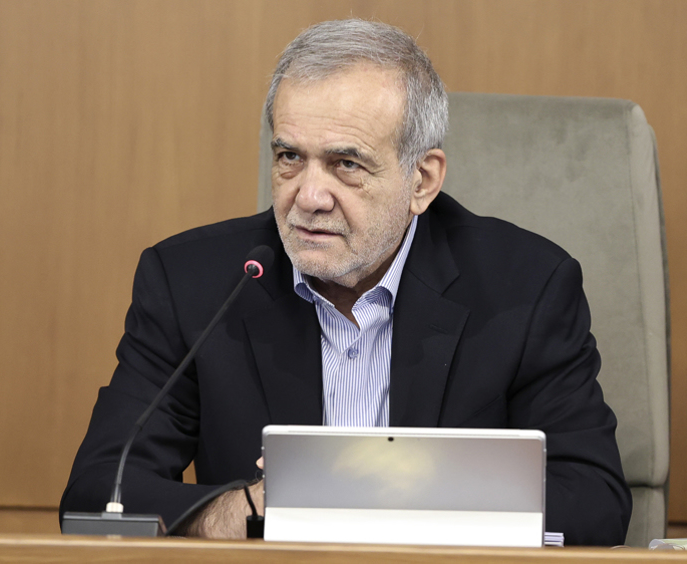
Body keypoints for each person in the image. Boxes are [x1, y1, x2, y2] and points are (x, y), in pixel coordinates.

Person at [60, 19, 631, 545]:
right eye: (289, 157)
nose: (308, 197)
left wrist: (371, 504)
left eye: (346, 164)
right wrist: (247, 510)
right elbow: (99, 491)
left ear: (422, 181)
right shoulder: (195, 283)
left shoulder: (524, 287)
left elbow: (594, 500)